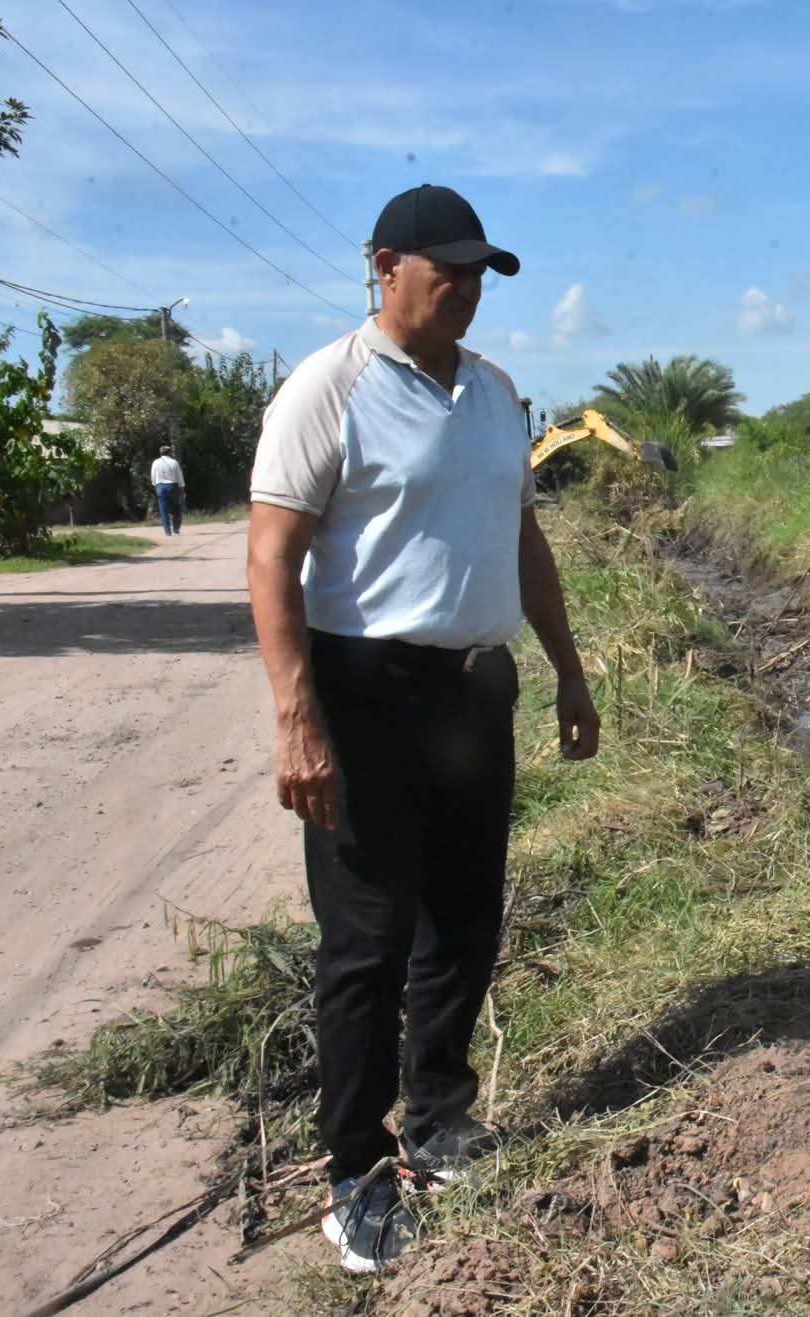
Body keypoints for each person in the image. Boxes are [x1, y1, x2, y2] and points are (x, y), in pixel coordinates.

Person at [245, 184, 600, 1274]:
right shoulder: (330, 386)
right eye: (442, 271)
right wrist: (297, 719)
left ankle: (441, 1118)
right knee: (367, 941)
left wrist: (567, 672)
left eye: (478, 275)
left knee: (466, 920)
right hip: (364, 695)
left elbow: (522, 538)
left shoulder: (495, 394)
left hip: (473, 691)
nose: (463, 292)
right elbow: (271, 557)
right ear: (384, 266)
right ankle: (355, 1168)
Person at [149, 445, 184, 535]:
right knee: (176, 508)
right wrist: (182, 487)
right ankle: (176, 527)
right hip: (172, 486)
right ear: (170, 452)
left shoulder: (155, 462)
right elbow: (179, 476)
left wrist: (155, 484)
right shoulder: (174, 462)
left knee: (163, 509)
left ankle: (167, 531)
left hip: (160, 486)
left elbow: (153, 475)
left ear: (160, 452)